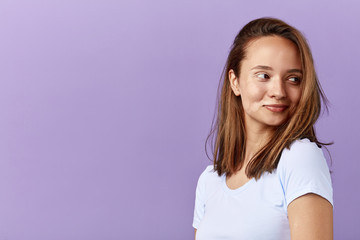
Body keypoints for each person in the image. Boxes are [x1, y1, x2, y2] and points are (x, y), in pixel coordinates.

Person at [193, 17, 333, 240]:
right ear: (235, 81)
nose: (278, 91)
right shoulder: (209, 181)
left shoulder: (299, 158)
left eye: (294, 79)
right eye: (264, 76)